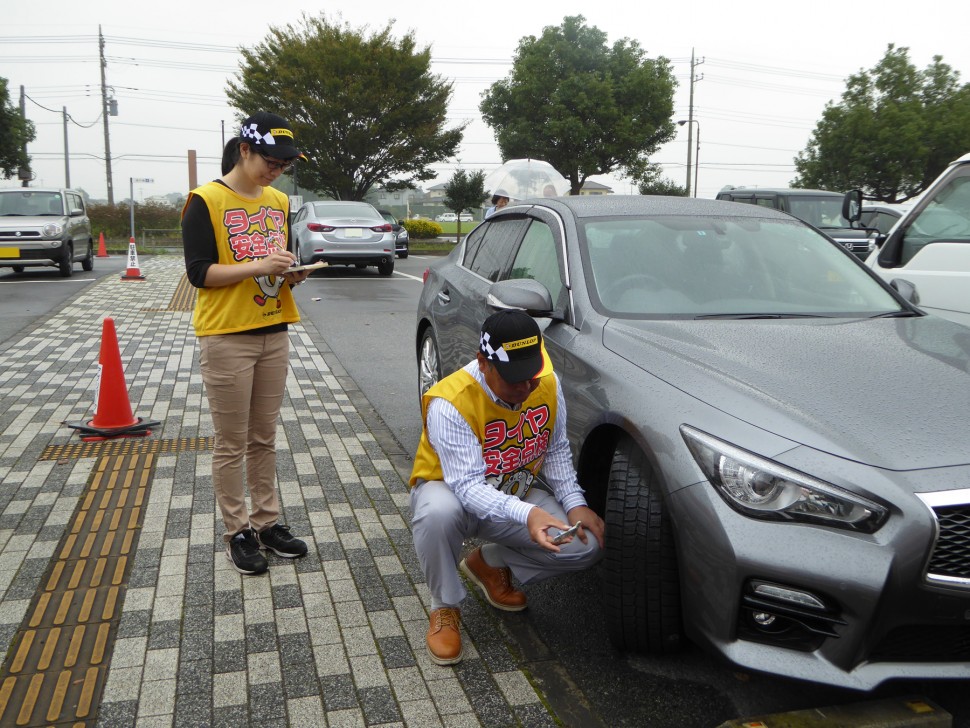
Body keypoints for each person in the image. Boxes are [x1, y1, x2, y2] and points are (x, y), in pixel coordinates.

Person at [409, 310, 605, 665]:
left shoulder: (545, 382)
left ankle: (489, 564)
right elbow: (467, 487)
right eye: (514, 379)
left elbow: (555, 448)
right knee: (436, 513)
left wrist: (575, 503)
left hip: (516, 489)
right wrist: (527, 513)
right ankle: (444, 606)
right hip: (453, 494)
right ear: (483, 362)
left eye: (530, 377)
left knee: (584, 545)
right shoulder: (450, 401)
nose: (525, 388)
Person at [182, 111, 312, 576]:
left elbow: (277, 266)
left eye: (284, 163)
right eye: (270, 160)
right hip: (226, 336)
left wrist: (290, 274)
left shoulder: (278, 201)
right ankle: (236, 530)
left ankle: (267, 523)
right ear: (244, 150)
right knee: (231, 442)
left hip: (273, 329)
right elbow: (200, 273)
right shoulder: (206, 200)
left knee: (264, 437)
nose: (276, 170)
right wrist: (258, 266)